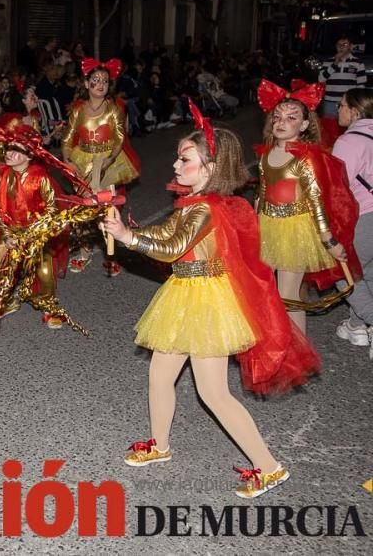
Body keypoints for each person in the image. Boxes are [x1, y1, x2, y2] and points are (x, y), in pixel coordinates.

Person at [101, 116, 320, 499]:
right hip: (187, 294)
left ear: (211, 168)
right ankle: (160, 444)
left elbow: (171, 249)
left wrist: (125, 236)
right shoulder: (194, 204)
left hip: (205, 301)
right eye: (177, 158)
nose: (175, 165)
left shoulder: (203, 209)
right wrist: (130, 231)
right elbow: (168, 234)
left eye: (184, 159)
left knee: (214, 393)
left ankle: (269, 467)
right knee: (159, 374)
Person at [255, 79, 358, 336]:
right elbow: (263, 192)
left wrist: (328, 239)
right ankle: (278, 340)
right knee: (268, 290)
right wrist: (254, 227)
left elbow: (315, 201)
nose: (282, 122)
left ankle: (298, 350)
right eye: (277, 116)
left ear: (303, 125)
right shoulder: (266, 155)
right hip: (268, 226)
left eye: (291, 117)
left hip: (295, 230)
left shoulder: (305, 158)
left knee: (288, 295)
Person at [0, 124, 67, 329]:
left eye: (15, 149)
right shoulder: (3, 177)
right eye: (8, 148)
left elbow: (52, 209)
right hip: (12, 234)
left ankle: (49, 307)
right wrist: (8, 235)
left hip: (37, 234)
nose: (8, 153)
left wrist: (36, 234)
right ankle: (8, 301)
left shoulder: (40, 178)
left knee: (45, 273)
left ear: (29, 155)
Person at [61, 58, 140, 276]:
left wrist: (108, 160)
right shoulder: (78, 110)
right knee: (84, 210)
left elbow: (120, 139)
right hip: (82, 161)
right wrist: (68, 160)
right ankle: (84, 254)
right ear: (86, 84)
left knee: (108, 212)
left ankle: (112, 255)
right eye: (95, 80)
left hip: (109, 162)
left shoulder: (114, 110)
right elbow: (68, 139)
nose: (100, 84)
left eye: (105, 81)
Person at [332, 87, 373, 352]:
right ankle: (357, 325)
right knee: (366, 271)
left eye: (342, 105)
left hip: (364, 214)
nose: (337, 108)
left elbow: (336, 186)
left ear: (355, 111)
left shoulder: (349, 141)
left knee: (342, 272)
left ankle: (369, 320)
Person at [318, 36, 367, 145]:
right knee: (329, 129)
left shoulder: (358, 63)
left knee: (350, 127)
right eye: (339, 45)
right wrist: (335, 64)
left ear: (350, 46)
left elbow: (361, 85)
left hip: (348, 103)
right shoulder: (328, 62)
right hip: (330, 102)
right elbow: (321, 79)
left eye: (344, 44)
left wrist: (357, 103)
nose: (341, 47)